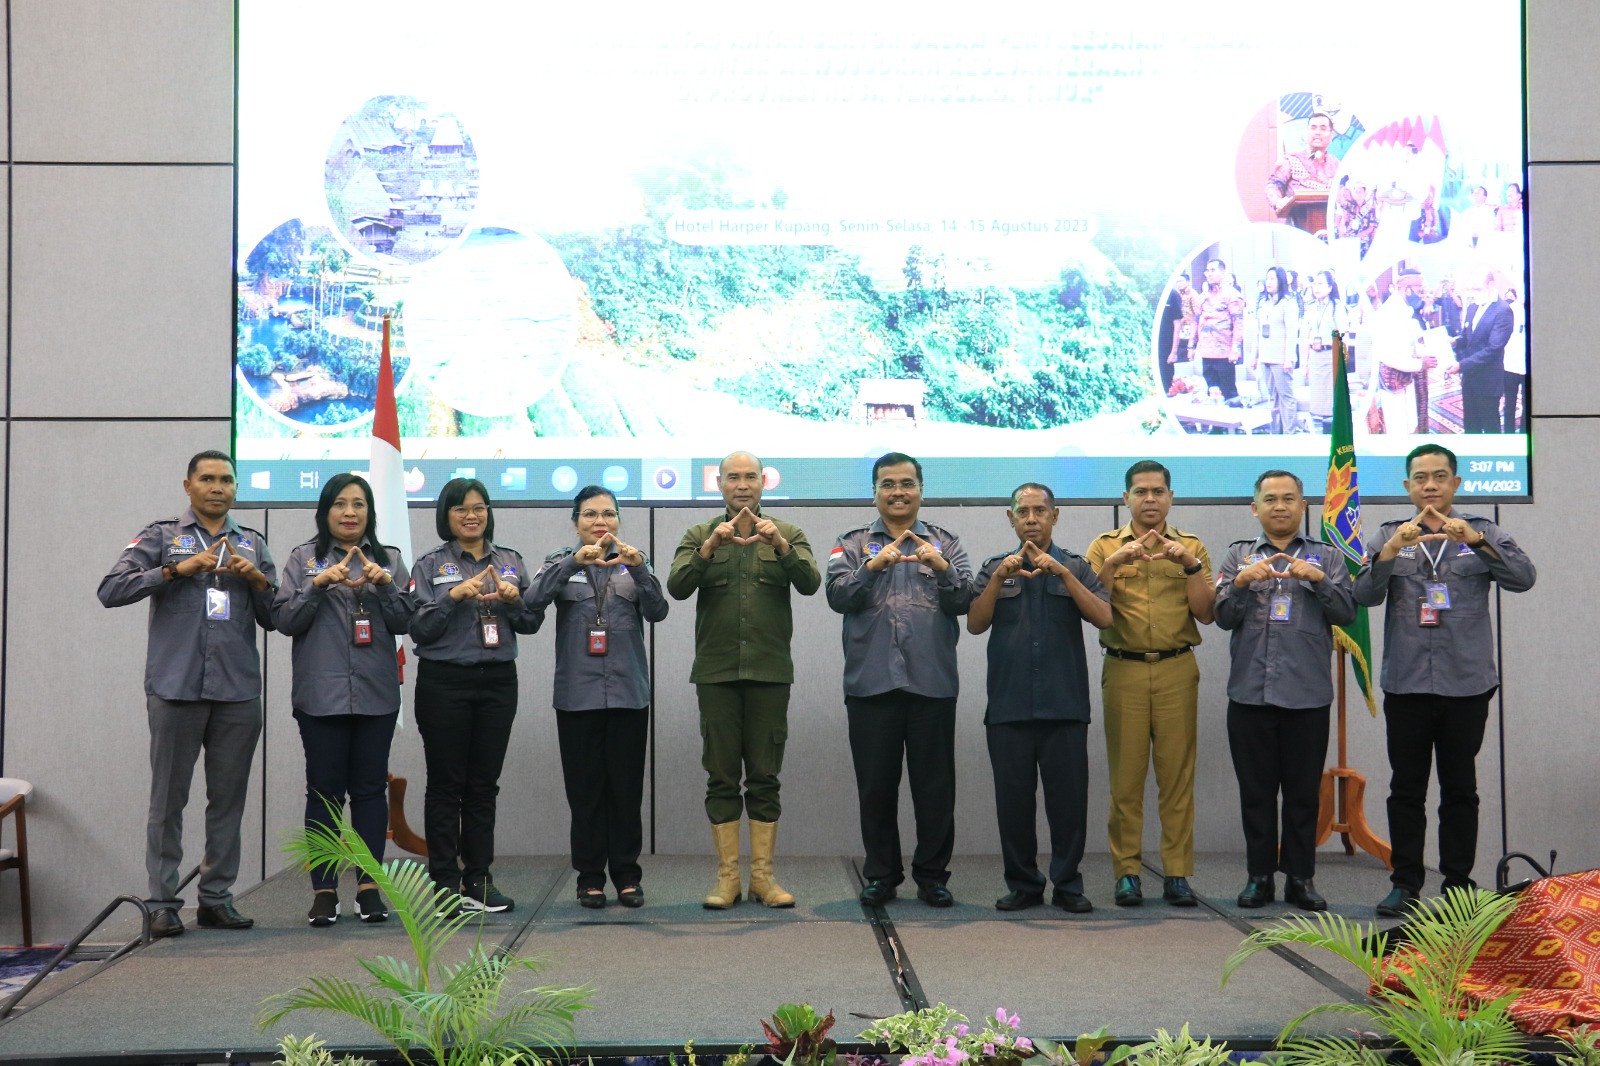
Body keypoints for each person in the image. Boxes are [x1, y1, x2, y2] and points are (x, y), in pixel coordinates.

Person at [97, 450, 277, 938]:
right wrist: (178, 570)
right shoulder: (161, 537)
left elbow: (277, 616)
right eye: (208, 479)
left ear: (236, 489)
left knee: (228, 800)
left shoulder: (253, 543)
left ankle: (217, 898)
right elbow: (111, 589)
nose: (218, 487)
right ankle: (162, 903)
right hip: (176, 688)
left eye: (227, 480)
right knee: (168, 800)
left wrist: (256, 579)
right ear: (188, 485)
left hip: (238, 691)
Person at [1354, 444, 1536, 916]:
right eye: (1420, 478)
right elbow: (1362, 594)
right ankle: (1405, 882)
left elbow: (1522, 578)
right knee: (1406, 788)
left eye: (1439, 476)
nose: (1430, 485)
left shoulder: (1484, 530)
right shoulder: (1389, 534)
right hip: (1408, 683)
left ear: (1456, 483)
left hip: (1466, 684)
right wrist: (1392, 551)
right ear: (1407, 487)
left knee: (1460, 787)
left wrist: (1476, 541)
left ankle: (1457, 884)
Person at [667, 451, 821, 909]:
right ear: (718, 483)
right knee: (720, 775)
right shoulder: (699, 534)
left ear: (763, 482)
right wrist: (710, 548)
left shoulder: (787, 532)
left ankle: (763, 878)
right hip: (716, 675)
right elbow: (676, 586)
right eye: (732, 477)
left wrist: (781, 547)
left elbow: (812, 582)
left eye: (749, 477)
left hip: (770, 674)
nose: (742, 485)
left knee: (765, 776)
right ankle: (727, 878)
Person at [826, 452, 973, 907]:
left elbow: (967, 598)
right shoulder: (850, 543)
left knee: (934, 789)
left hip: (931, 684)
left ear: (921, 491)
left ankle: (933, 876)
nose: (898, 492)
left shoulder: (946, 543)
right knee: (876, 787)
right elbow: (836, 595)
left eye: (907, 483)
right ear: (874, 492)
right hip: (871, 685)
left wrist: (943, 567)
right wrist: (873, 566)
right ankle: (881, 875)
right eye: (888, 484)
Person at [273, 473, 413, 927]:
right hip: (321, 695)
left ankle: (370, 887)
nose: (350, 512)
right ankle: (324, 889)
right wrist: (317, 586)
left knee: (371, 791)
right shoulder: (302, 558)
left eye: (359, 504)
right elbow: (284, 620)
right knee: (324, 792)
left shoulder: (389, 558)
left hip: (375, 692)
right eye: (340, 504)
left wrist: (386, 584)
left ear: (370, 512)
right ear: (325, 511)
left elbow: (408, 620)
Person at [1213, 471, 1357, 911]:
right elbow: (1221, 616)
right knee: (1255, 793)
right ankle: (1259, 877)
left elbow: (1349, 613)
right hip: (1249, 695)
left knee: (1301, 794)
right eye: (1270, 499)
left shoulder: (1328, 558)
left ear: (1303, 506)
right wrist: (1239, 583)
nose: (1280, 506)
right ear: (1255, 508)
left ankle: (1300, 878)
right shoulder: (1238, 555)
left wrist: (1317, 580)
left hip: (1307, 696)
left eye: (1289, 499)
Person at [968, 483, 1111, 913]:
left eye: (1039, 511)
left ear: (1055, 516)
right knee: (1013, 804)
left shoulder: (1077, 567)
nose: (1031, 519)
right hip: (1009, 705)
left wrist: (1063, 574)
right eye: (1023, 512)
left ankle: (1068, 884)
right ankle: (1024, 884)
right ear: (1010, 518)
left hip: (1064, 704)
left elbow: (1105, 617)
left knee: (1068, 804)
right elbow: (975, 623)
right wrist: (996, 580)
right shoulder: (995, 567)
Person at [528, 486, 668, 909]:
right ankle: (589, 877)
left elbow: (658, 611)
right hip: (577, 694)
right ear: (576, 522)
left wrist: (640, 569)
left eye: (608, 513)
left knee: (625, 791)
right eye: (590, 514)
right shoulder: (559, 561)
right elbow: (532, 602)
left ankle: (626, 875)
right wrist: (574, 560)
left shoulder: (634, 562)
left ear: (619, 520)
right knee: (585, 792)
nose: (600, 521)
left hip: (628, 693)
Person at [410, 477, 542, 913]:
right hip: (444, 681)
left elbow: (530, 624)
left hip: (498, 681)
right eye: (461, 508)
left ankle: (479, 878)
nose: (472, 515)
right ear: (446, 515)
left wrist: (514, 601)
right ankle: (445, 884)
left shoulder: (510, 561)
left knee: (483, 786)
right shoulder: (430, 565)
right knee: (447, 785)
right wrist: (453, 598)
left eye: (479, 507)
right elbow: (419, 629)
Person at [1086, 461, 1214, 907]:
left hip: (1178, 668)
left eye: (1158, 491)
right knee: (1126, 778)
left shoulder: (1191, 546)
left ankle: (1177, 873)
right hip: (1124, 667)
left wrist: (1190, 565)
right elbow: (1089, 605)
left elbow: (1206, 612)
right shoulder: (1104, 547)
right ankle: (1127, 873)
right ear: (1126, 499)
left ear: (1170, 497)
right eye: (1140, 492)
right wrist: (1115, 564)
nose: (1150, 499)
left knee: (1177, 776)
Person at [1447, 271, 1514, 434]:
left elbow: (1493, 349)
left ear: (1490, 285)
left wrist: (1461, 365)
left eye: (1477, 289)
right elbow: (1468, 337)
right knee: (1471, 427)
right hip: (1470, 380)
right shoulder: (1472, 307)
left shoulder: (1503, 310)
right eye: (1471, 289)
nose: (1473, 293)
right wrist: (1455, 341)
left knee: (1491, 429)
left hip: (1488, 381)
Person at [1252, 266, 1300, 433]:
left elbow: (1292, 333)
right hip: (1265, 357)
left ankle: (1289, 434)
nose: (1268, 282)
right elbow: (1258, 331)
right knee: (1272, 398)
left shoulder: (1288, 303)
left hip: (1281, 359)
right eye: (1267, 278)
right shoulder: (1263, 302)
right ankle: (1275, 433)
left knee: (1286, 398)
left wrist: (1289, 359)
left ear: (1280, 281)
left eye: (1272, 278)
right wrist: (1254, 356)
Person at [1265, 112, 1338, 215]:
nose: (1317, 132)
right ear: (1307, 133)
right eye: (1313, 128)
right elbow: (1273, 186)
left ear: (1331, 136)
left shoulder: (1337, 165)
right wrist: (1278, 202)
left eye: (1323, 128)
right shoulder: (1291, 160)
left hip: (1328, 224)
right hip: (1299, 223)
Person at [1194, 258, 1245, 402]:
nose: (1209, 274)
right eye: (1207, 271)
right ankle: (1216, 423)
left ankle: (1232, 421)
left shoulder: (1232, 294)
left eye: (1213, 270)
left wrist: (1236, 349)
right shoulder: (1203, 297)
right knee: (1212, 392)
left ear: (1222, 272)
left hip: (1224, 353)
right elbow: (1196, 321)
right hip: (1206, 352)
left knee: (1229, 394)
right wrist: (1192, 346)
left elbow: (1238, 323)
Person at [1300, 270, 1343, 432]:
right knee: (1317, 403)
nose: (1316, 287)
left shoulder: (1336, 307)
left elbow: (1342, 335)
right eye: (1315, 283)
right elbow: (1305, 335)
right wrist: (1304, 363)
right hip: (1315, 358)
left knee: (1331, 402)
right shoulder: (1310, 307)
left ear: (1330, 287)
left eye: (1320, 284)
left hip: (1330, 356)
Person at [1502, 288, 1527, 433]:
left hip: (1528, 367)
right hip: (1510, 365)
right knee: (1509, 402)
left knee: (1528, 402)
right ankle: (1509, 433)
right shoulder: (1509, 310)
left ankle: (1525, 431)